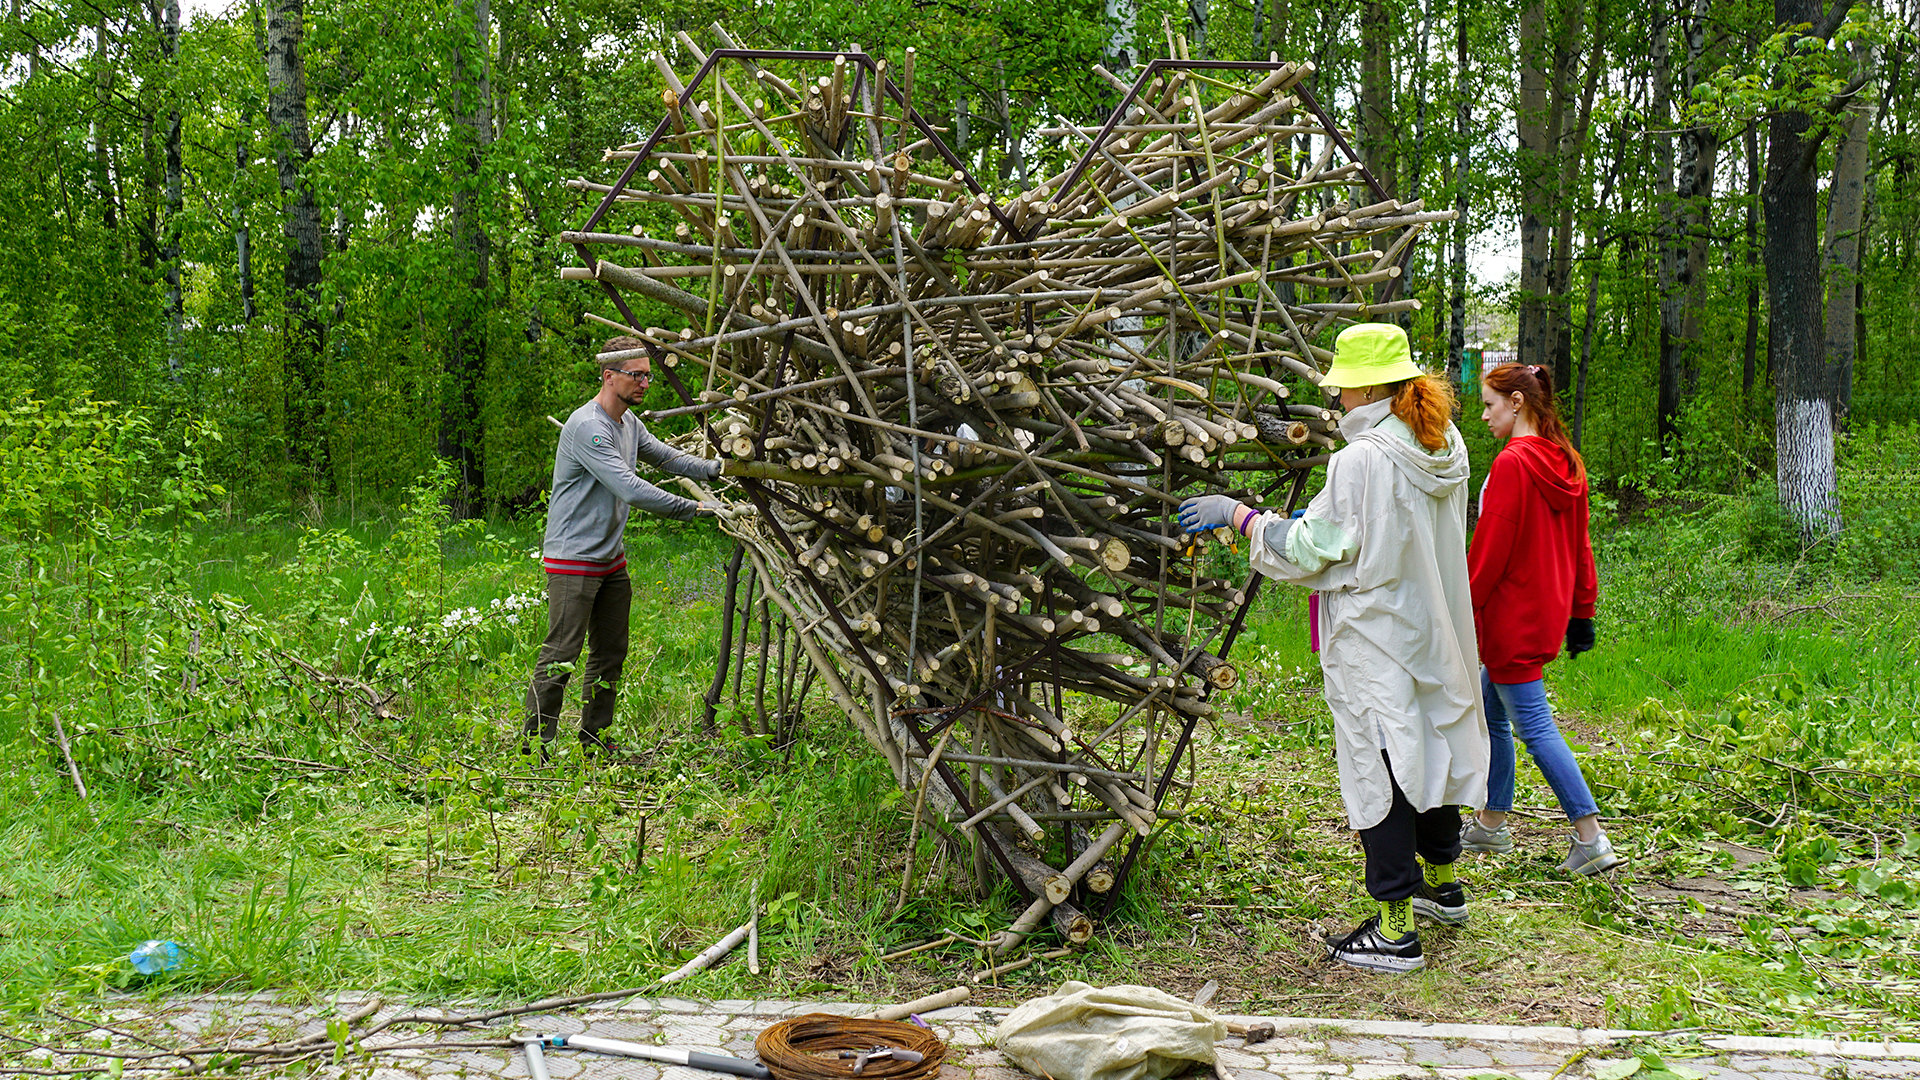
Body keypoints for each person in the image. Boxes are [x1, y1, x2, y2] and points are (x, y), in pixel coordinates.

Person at [1178, 322, 1487, 974]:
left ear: (1371, 386)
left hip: (1378, 638)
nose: (1339, 400)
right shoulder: (1445, 441)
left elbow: (1313, 548)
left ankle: (1396, 931)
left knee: (1384, 773)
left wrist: (1239, 517)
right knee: (1428, 747)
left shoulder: (1362, 461)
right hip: (1432, 626)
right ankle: (1443, 888)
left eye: (1345, 389)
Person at [523, 335, 724, 758]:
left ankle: (595, 740)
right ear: (608, 375)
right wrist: (696, 508)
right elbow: (631, 489)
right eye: (636, 375)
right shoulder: (589, 427)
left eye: (648, 376)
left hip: (610, 561)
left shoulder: (629, 424)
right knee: (562, 653)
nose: (645, 383)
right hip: (573, 559)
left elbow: (667, 458)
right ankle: (534, 746)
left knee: (610, 652)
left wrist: (716, 468)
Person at [1464, 362, 1620, 875]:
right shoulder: (1566, 462)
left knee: (1534, 725)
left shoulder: (1513, 464)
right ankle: (1490, 823)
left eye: (1489, 404)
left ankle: (1591, 836)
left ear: (1516, 402)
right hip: (1543, 614)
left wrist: (1460, 607)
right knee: (1492, 710)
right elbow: (1581, 546)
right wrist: (1582, 612)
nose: (1483, 416)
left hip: (1511, 617)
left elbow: (1491, 552)